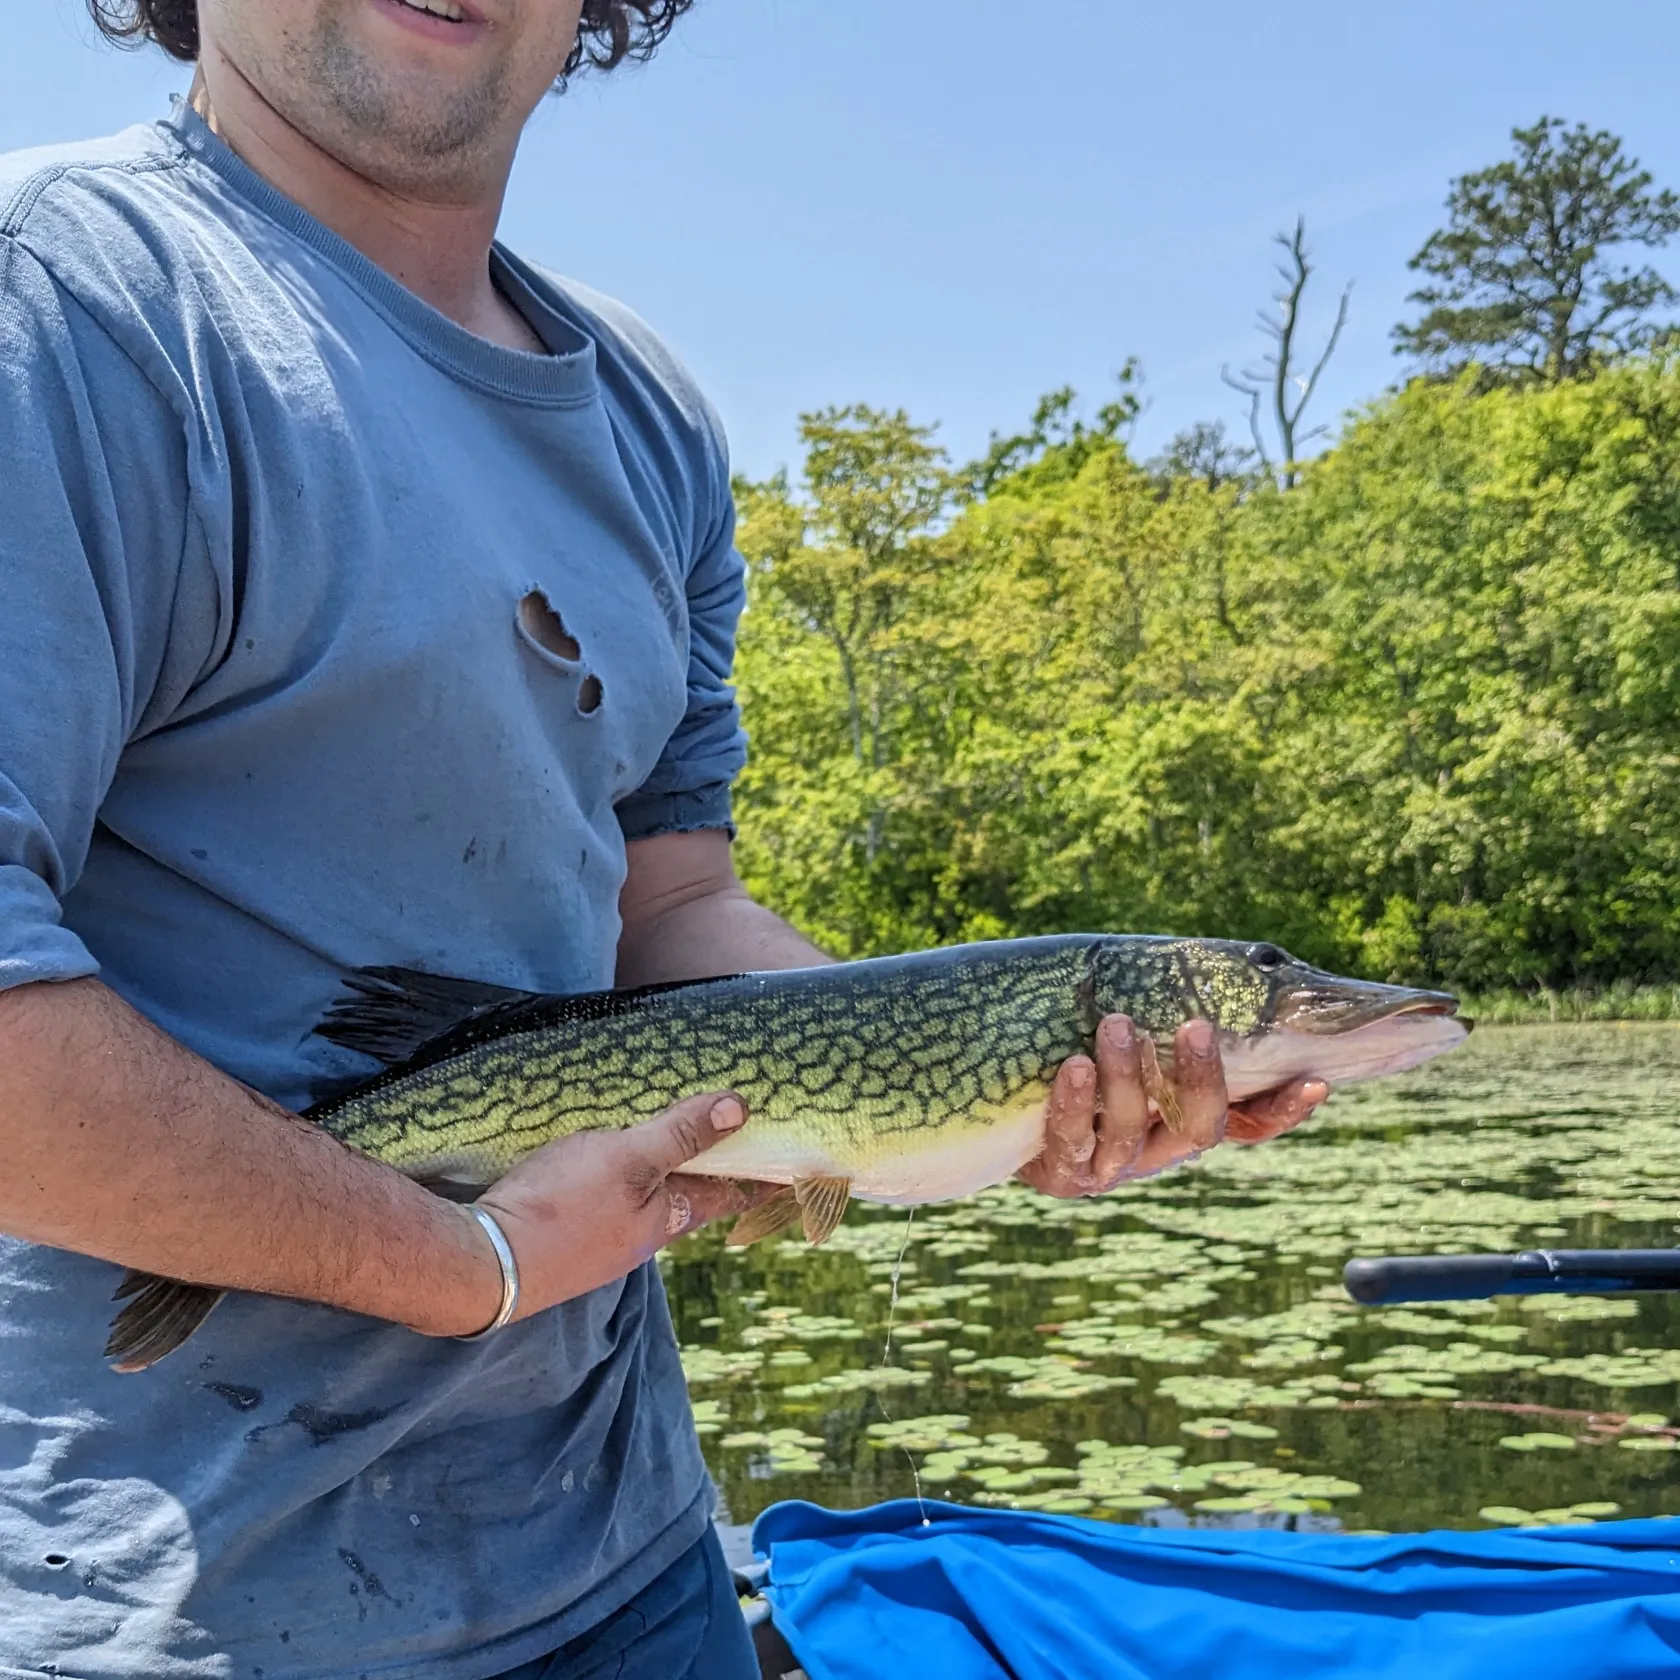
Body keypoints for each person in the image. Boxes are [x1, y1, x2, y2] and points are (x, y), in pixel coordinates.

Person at [0, 1, 1330, 1674]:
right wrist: (460, 1261)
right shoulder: (59, 305)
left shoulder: (645, 412)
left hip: (631, 1567)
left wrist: (981, 1091)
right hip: (176, 1619)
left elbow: (673, 910)